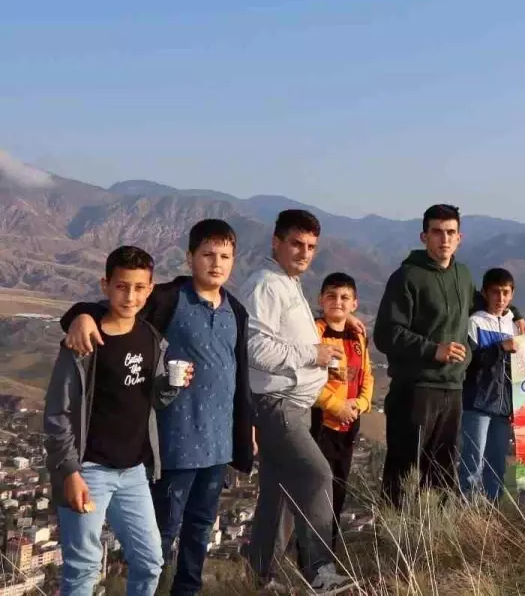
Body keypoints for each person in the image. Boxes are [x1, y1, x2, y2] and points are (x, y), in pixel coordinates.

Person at [57, 220, 254, 596]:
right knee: (160, 537)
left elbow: (239, 376)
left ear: (234, 261)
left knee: (200, 530)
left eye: (225, 256)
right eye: (208, 255)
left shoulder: (236, 311)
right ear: (190, 258)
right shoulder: (168, 297)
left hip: (218, 446)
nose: (217, 263)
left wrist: (247, 427)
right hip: (173, 444)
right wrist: (79, 315)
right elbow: (120, 308)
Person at [45, 246, 193, 596]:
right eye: (122, 286)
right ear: (106, 285)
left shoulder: (153, 340)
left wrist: (172, 387)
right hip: (88, 470)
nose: (131, 296)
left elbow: (153, 400)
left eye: (139, 288)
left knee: (149, 562)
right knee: (83, 570)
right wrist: (69, 472)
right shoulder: (83, 343)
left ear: (150, 289)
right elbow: (58, 412)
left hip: (133, 473)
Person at [243, 210, 348, 593]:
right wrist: (312, 355)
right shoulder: (266, 284)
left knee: (279, 491)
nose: (304, 253)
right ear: (276, 242)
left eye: (311, 247)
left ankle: (260, 575)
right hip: (278, 404)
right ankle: (320, 572)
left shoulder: (289, 283)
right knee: (316, 475)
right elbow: (255, 347)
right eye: (296, 244)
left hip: (295, 408)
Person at [376, 204, 474, 506]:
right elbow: (386, 333)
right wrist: (434, 350)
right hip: (415, 390)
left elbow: (481, 308)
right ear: (424, 236)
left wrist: (521, 315)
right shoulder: (406, 276)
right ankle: (393, 542)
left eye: (450, 232)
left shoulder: (463, 275)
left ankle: (435, 543)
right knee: (404, 473)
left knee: (443, 474)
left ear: (460, 237)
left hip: (453, 389)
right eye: (437, 232)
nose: (444, 239)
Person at [309, 273, 373, 553]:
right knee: (315, 494)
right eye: (331, 296)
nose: (338, 302)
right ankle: (309, 559)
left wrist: (359, 405)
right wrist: (337, 405)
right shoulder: (314, 331)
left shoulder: (358, 334)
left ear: (355, 303)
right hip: (319, 424)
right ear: (320, 299)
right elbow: (308, 381)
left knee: (338, 493)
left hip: (349, 426)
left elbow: (366, 376)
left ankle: (328, 556)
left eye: (345, 297)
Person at [459, 268, 518, 502]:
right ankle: (468, 516)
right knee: (472, 462)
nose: (500, 298)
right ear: (485, 293)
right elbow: (468, 361)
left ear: (512, 295)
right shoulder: (474, 323)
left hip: (503, 406)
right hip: (478, 403)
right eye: (496, 292)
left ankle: (492, 514)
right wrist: (499, 348)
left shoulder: (513, 324)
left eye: (506, 293)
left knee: (497, 464)